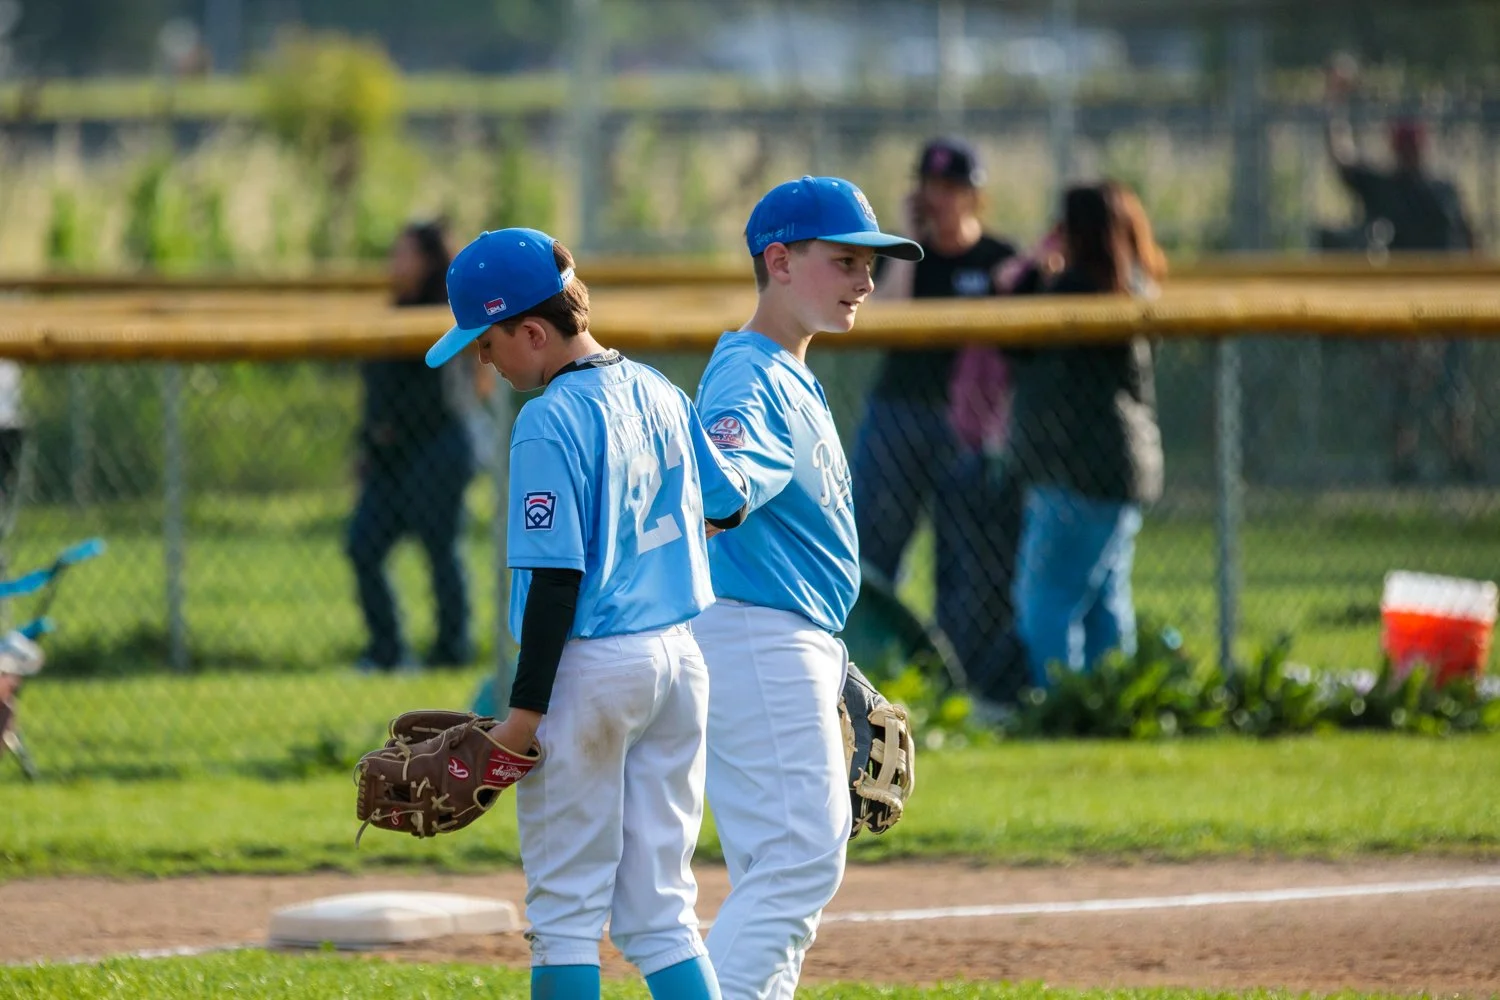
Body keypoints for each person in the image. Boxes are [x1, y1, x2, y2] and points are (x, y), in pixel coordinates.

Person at [424, 227, 748, 1000]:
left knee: (565, 912)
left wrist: (520, 721)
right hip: (678, 662)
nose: (484, 360)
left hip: (592, 668)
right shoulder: (661, 391)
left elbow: (557, 583)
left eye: (488, 341)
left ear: (532, 332)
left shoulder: (545, 420)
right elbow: (728, 504)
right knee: (662, 910)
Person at [692, 175, 923, 998]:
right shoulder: (751, 377)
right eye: (845, 261)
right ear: (780, 262)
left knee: (777, 866)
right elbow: (722, 490)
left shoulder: (788, 370)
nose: (865, 280)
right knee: (798, 859)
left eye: (870, 263)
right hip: (758, 633)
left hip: (784, 634)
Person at [851, 137, 1020, 682]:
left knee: (965, 558)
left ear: (975, 194)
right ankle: (868, 669)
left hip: (966, 429)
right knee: (875, 550)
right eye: (931, 187)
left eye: (952, 188)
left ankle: (958, 678)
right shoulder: (908, 255)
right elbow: (888, 320)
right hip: (898, 414)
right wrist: (906, 240)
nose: (940, 198)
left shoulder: (998, 259)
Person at [1002, 183, 1163, 687]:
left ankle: (1060, 708)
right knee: (1102, 601)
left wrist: (1031, 265)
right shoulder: (1128, 287)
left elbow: (1013, 343)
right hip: (1119, 471)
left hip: (1074, 475)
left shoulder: (1075, 289)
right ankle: (1111, 703)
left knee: (1044, 601)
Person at [1323, 59, 1479, 483]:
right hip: (1409, 310)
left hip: (1448, 309)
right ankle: (1407, 463)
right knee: (1410, 392)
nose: (1410, 151)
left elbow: (1472, 244)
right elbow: (1342, 159)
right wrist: (1334, 102)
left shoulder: (1441, 189)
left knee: (1450, 389)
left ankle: (1457, 461)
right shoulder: (1396, 186)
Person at [347, 220, 489, 671]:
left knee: (440, 548)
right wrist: (371, 442)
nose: (396, 263)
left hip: (439, 452)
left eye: (405, 254)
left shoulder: (444, 315)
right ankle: (385, 651)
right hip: (390, 458)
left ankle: (452, 649)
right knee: (363, 544)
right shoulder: (394, 310)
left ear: (429, 262)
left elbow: (445, 397)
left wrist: (390, 428)